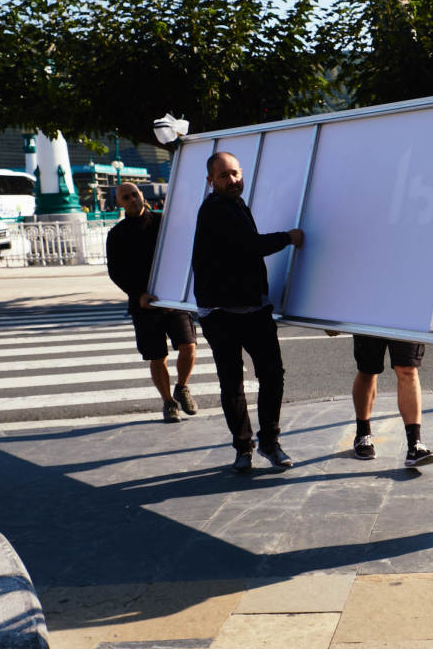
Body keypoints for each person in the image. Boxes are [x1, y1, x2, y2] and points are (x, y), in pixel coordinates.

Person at [192, 151, 303, 473]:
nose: (233, 180)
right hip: (220, 312)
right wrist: (289, 238)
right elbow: (248, 245)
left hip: (253, 307)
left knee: (271, 376)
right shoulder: (215, 208)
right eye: (225, 176)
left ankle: (268, 442)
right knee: (233, 383)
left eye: (236, 173)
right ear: (210, 181)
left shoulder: (236, 204)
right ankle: (245, 447)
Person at [106, 181, 199, 423]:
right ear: (119, 203)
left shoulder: (164, 223)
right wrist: (138, 295)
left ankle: (182, 387)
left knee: (188, 346)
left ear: (141, 195)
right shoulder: (116, 234)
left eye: (134, 194)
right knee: (158, 356)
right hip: (144, 304)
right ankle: (169, 402)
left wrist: (179, 291)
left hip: (173, 298)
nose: (132, 200)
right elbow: (116, 272)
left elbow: (182, 254)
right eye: (126, 198)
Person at [350, 336, 433, 467]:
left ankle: (415, 445)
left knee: (408, 369)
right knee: (367, 369)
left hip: (406, 317)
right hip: (369, 316)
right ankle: (362, 434)